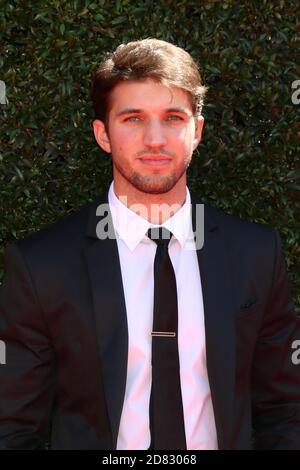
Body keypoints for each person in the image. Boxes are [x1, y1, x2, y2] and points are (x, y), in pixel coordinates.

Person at [0, 38, 299, 450]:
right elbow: (13, 425)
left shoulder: (255, 254)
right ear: (103, 134)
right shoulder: (42, 265)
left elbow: (286, 410)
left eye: (173, 117)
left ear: (197, 131)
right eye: (134, 119)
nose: (155, 139)